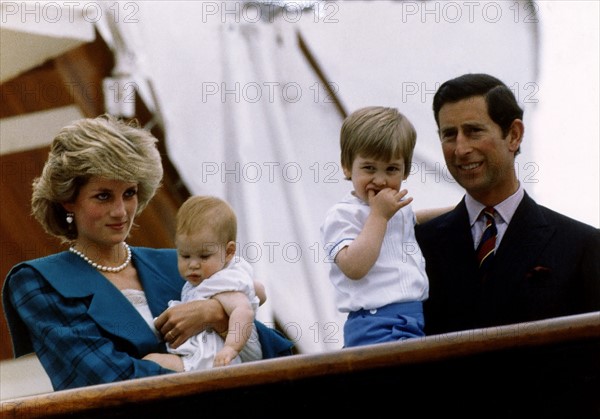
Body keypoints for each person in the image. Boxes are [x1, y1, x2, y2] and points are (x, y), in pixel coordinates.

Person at [2, 114, 293, 391]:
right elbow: (107, 381)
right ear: (68, 201)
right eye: (103, 196)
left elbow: (273, 354)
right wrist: (197, 366)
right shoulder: (38, 282)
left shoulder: (178, 263)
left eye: (129, 193)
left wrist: (213, 313)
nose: (120, 211)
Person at [415, 73, 600, 335]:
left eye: (473, 131)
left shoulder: (581, 246)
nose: (460, 148)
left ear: (514, 135)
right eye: (449, 134)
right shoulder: (418, 244)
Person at [321, 106, 438, 348]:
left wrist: (462, 209)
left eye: (392, 169)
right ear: (346, 166)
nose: (381, 179)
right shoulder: (343, 215)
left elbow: (413, 219)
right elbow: (354, 266)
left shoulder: (392, 210)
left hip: (411, 317)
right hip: (375, 323)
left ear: (405, 171)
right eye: (369, 168)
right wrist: (379, 216)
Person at [161, 195, 263, 370]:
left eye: (204, 256)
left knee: (153, 362)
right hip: (204, 351)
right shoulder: (221, 277)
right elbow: (260, 291)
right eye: (185, 256)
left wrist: (230, 348)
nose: (193, 264)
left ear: (229, 252)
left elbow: (243, 310)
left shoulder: (221, 282)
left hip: (215, 356)